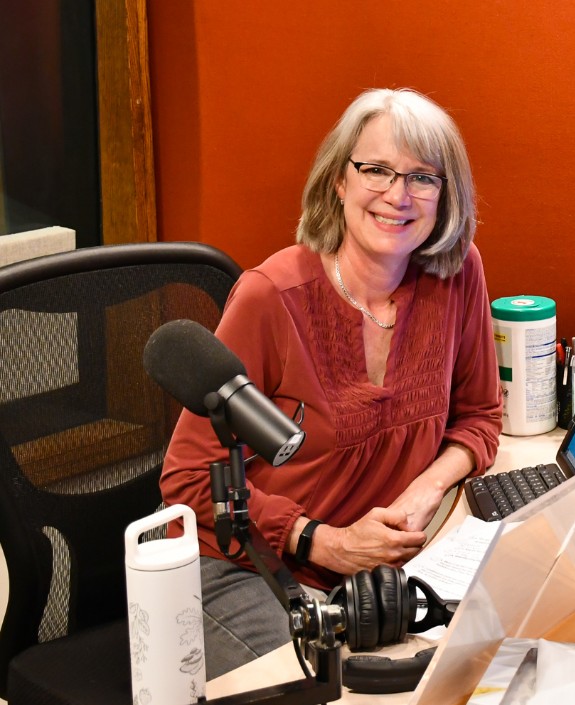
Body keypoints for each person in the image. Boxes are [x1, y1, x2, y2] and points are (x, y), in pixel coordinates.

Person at [161, 88, 502, 678]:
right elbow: (186, 480)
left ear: (445, 197)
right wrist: (323, 542)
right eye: (376, 170)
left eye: (423, 177)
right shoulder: (271, 298)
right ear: (339, 182)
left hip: (373, 581)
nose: (398, 196)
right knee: (332, 689)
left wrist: (422, 492)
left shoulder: (457, 272)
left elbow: (478, 418)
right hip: (247, 568)